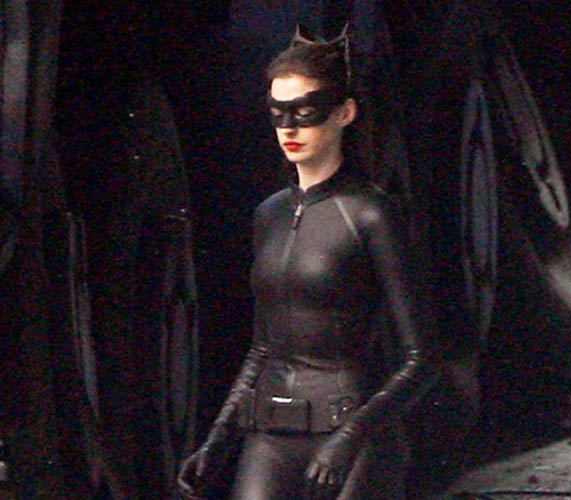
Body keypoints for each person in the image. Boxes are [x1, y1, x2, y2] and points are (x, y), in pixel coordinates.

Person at [178, 25, 435, 500]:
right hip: (272, 434)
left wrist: (351, 438)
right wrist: (217, 442)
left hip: (352, 432)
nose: (289, 128)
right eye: (278, 113)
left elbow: (422, 358)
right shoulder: (269, 214)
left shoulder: (372, 214)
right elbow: (262, 348)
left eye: (305, 112)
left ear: (345, 113)